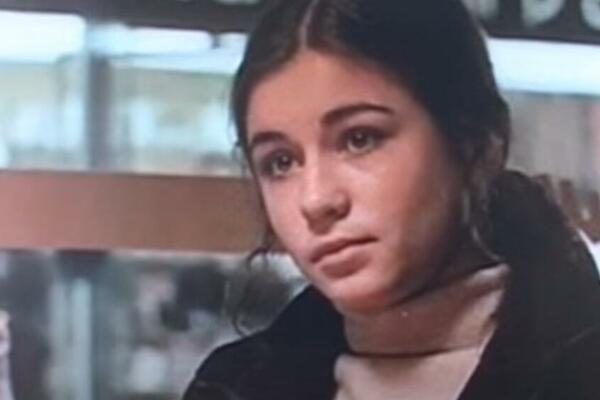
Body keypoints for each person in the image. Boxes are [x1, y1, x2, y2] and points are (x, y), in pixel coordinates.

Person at [182, 0, 600, 399]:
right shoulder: (234, 387)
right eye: (281, 162)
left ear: (474, 143)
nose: (316, 200)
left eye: (359, 139)